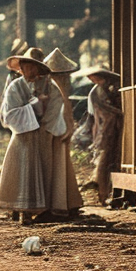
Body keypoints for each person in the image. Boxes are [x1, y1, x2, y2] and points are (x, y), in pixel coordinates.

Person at [0, 47, 64, 224]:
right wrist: (34, 105)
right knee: (21, 171)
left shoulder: (49, 86)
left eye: (33, 66)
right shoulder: (15, 86)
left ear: (39, 68)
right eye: (26, 66)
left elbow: (56, 105)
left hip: (42, 135)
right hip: (22, 136)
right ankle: (20, 209)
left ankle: (41, 209)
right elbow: (9, 113)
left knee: (42, 171)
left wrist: (43, 125)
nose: (28, 70)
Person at [44, 48, 84, 218]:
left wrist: (68, 129)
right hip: (57, 132)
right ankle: (62, 203)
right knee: (59, 168)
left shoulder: (54, 87)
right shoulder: (55, 87)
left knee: (60, 168)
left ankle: (64, 203)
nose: (67, 77)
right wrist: (67, 129)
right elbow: (63, 112)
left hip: (58, 133)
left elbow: (65, 112)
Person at [84, 65, 123, 206]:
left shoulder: (112, 88)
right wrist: (119, 113)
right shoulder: (96, 93)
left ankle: (113, 192)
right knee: (104, 159)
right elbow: (100, 113)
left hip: (115, 126)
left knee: (116, 159)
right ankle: (102, 193)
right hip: (105, 128)